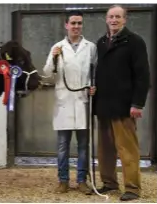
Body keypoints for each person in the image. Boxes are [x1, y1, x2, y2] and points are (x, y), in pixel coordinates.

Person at [94, 5, 150, 202]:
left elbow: (143, 76)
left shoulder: (135, 42)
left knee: (127, 149)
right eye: (111, 16)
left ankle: (133, 188)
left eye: (118, 17)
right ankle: (109, 183)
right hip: (103, 106)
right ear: (106, 19)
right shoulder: (101, 43)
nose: (114, 20)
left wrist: (137, 104)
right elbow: (99, 73)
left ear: (125, 20)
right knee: (105, 149)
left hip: (124, 106)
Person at [43, 11, 97, 195]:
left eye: (79, 23)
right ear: (66, 25)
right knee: (62, 146)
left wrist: (93, 87)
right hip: (64, 102)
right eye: (73, 23)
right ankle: (63, 181)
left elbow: (95, 72)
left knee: (83, 146)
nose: (76, 26)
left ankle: (82, 180)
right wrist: (54, 57)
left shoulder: (91, 47)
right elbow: (48, 74)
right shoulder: (57, 47)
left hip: (83, 101)